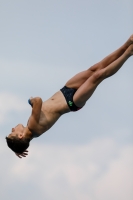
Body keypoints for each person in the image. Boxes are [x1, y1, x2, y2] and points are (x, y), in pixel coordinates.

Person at [6, 35, 133, 158]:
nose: (12, 128)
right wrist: (31, 100)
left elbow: (26, 140)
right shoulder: (32, 127)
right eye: (12, 132)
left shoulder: (32, 133)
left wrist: (17, 148)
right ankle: (128, 52)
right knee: (98, 76)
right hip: (72, 102)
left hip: (65, 90)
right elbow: (38, 100)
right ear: (20, 136)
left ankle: (126, 44)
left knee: (95, 68)